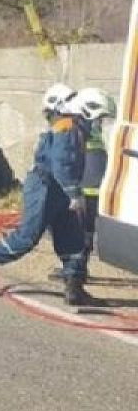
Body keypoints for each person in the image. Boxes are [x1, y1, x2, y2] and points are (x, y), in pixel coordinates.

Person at [0, 83, 91, 305]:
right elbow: (61, 164)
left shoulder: (74, 127)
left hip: (58, 188)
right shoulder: (65, 127)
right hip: (46, 187)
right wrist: (74, 194)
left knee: (73, 239)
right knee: (27, 238)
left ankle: (74, 289)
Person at [67, 88, 117, 274]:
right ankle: (75, 272)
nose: (100, 122)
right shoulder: (77, 132)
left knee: (82, 235)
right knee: (83, 234)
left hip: (90, 191)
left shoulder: (84, 131)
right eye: (99, 118)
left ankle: (75, 274)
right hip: (88, 191)